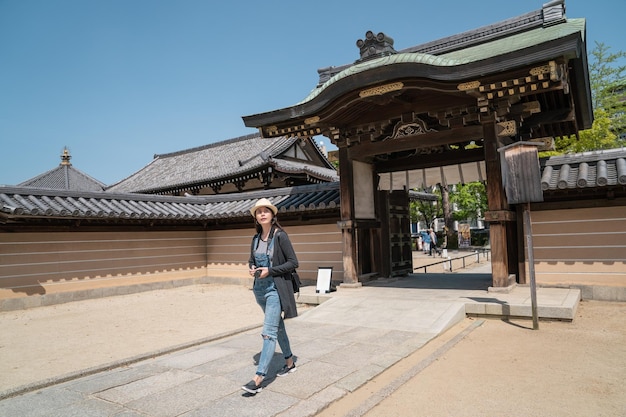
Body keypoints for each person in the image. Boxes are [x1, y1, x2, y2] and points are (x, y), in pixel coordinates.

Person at [241, 198, 299, 395]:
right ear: (256, 218)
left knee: (268, 332)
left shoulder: (281, 236)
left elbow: (293, 262)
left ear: (273, 215)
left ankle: (258, 378)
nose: (263, 214)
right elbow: (251, 259)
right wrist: (252, 268)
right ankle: (289, 362)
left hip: (275, 289)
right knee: (277, 326)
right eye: (259, 212)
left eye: (266, 211)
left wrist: (270, 270)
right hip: (259, 290)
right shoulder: (255, 239)